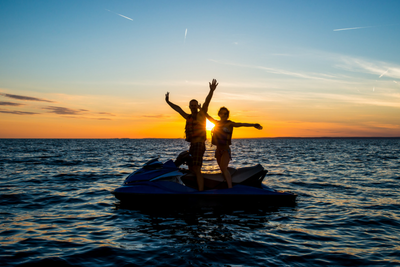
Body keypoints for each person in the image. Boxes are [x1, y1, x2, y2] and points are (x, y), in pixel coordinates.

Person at [165, 79, 218, 191]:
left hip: (199, 144)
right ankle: (195, 187)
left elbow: (207, 101)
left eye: (195, 105)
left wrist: (211, 91)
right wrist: (168, 101)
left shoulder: (201, 114)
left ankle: (201, 191)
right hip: (192, 146)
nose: (193, 107)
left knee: (197, 169)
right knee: (191, 168)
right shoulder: (187, 116)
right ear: (189, 106)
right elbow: (178, 109)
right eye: (191, 105)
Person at [206, 107, 263, 188]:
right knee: (222, 169)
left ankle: (230, 187)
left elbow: (241, 124)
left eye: (226, 114)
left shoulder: (230, 124)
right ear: (219, 114)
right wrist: (200, 108)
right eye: (222, 113)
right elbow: (207, 116)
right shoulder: (216, 123)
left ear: (228, 115)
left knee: (223, 168)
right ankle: (225, 183)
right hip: (218, 151)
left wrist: (253, 125)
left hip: (225, 150)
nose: (224, 115)